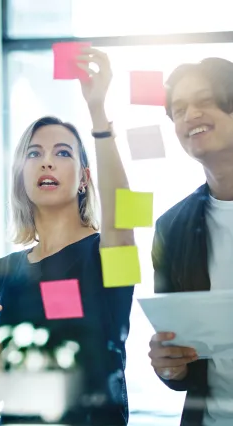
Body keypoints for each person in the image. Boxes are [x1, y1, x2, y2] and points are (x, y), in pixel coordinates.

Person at [0, 49, 135, 425]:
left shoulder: (107, 253)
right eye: (34, 153)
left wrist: (98, 113)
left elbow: (123, 213)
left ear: (84, 179)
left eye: (62, 153)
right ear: (21, 177)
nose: (47, 161)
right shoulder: (4, 271)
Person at [148, 58, 233, 426]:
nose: (189, 115)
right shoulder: (172, 228)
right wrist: (170, 366)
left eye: (204, 101)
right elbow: (181, 363)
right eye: (179, 109)